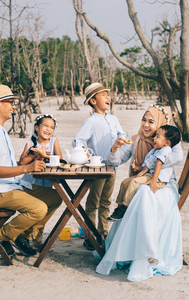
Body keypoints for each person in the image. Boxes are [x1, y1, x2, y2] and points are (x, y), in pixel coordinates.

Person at [94, 105, 184, 282]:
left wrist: (154, 156)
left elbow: (174, 158)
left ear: (160, 124)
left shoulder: (170, 143)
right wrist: (114, 149)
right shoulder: (136, 140)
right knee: (137, 189)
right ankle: (130, 246)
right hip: (142, 181)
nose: (146, 125)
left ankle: (147, 252)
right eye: (144, 120)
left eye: (152, 122)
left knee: (143, 192)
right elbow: (116, 160)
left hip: (163, 186)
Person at [0, 85, 62, 257]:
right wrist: (27, 168)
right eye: (11, 102)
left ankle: (22, 235)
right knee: (39, 209)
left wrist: (31, 161)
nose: (14, 106)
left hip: (10, 185)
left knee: (55, 197)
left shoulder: (0, 130)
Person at [72, 82, 126, 250]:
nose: (108, 97)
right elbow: (78, 141)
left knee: (106, 202)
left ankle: (103, 233)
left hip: (112, 167)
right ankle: (89, 235)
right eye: (103, 95)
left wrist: (122, 139)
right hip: (97, 168)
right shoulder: (90, 121)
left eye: (107, 95)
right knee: (93, 203)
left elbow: (121, 134)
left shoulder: (113, 119)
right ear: (93, 101)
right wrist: (86, 154)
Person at [107, 125, 181, 221]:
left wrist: (154, 180)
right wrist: (138, 169)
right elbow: (149, 165)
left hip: (158, 178)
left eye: (157, 137)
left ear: (167, 143)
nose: (154, 138)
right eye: (155, 136)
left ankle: (125, 207)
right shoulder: (156, 150)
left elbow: (158, 164)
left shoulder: (165, 150)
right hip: (150, 174)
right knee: (125, 182)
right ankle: (119, 206)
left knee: (134, 182)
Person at [19, 114, 62, 248]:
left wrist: (46, 156)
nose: (49, 129)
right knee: (39, 210)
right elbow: (22, 162)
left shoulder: (54, 141)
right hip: (30, 184)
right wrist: (36, 154)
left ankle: (35, 240)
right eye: (45, 126)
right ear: (37, 127)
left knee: (44, 209)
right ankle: (32, 240)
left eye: (52, 127)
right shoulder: (31, 143)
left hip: (46, 183)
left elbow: (59, 159)